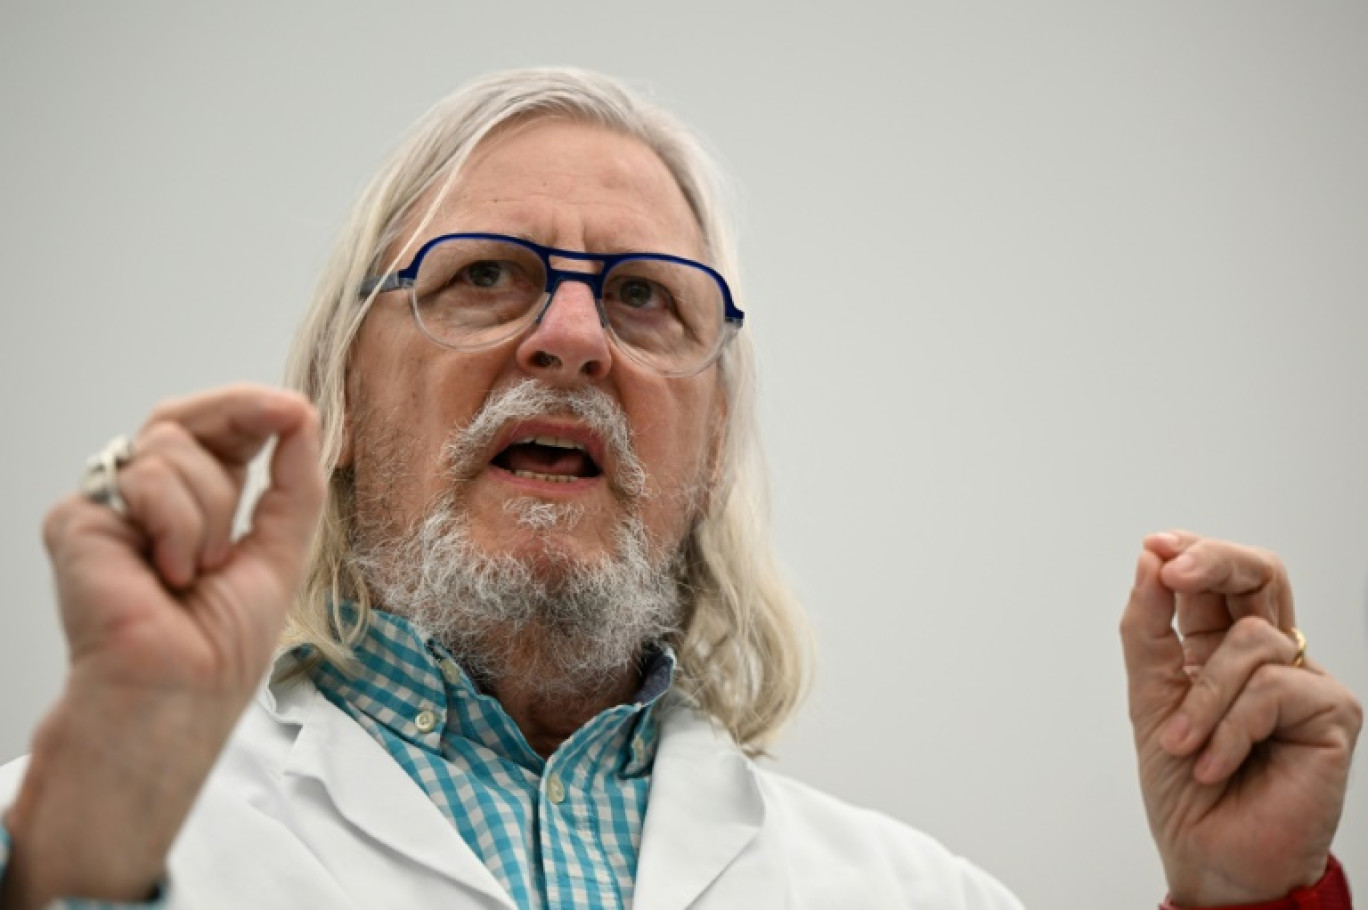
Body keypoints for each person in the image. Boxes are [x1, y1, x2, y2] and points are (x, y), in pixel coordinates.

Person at [0, 67, 1359, 909]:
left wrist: (1255, 902)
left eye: (647, 300)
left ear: (709, 450)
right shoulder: (57, 836)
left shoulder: (916, 895)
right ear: (344, 402)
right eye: (487, 275)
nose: (574, 338)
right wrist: (91, 840)